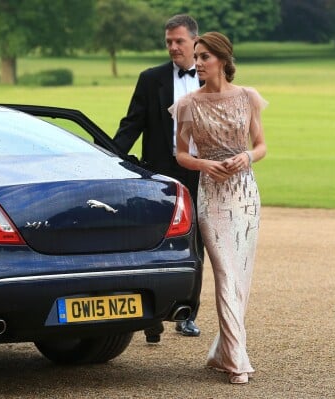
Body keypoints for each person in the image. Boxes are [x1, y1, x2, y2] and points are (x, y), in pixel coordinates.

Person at [171, 32, 268, 384]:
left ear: (223, 61)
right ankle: (237, 362)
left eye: (204, 57)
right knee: (226, 273)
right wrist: (204, 165)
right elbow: (181, 154)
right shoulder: (187, 104)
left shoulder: (248, 98)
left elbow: (260, 146)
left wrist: (246, 157)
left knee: (240, 278)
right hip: (211, 195)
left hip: (245, 195)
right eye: (196, 56)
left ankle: (221, 351)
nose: (197, 63)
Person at [113, 14, 204, 343]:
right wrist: (107, 157)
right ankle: (151, 318)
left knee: (196, 243)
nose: (173, 47)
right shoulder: (151, 79)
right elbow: (131, 125)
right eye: (168, 42)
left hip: (200, 173)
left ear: (196, 41)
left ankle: (188, 313)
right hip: (161, 173)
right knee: (152, 242)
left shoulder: (211, 78)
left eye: (179, 41)